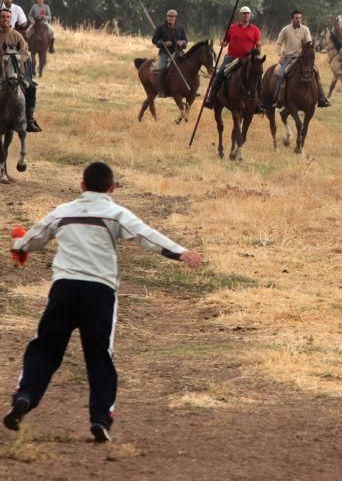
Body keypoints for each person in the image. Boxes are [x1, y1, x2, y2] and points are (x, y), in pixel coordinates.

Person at [4, 162, 204, 442]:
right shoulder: (115, 213)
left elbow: (32, 240)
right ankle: (100, 418)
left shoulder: (63, 211)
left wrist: (18, 246)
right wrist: (181, 252)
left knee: (45, 347)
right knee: (99, 356)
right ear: (112, 188)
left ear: (82, 186)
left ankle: (25, 395)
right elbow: (146, 235)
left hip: (64, 289)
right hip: (99, 292)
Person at [203, 6, 262, 109]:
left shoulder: (255, 30)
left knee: (258, 75)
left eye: (247, 14)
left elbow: (259, 45)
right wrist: (222, 43)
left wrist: (256, 56)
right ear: (240, 15)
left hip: (248, 58)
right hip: (232, 57)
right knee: (220, 73)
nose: (246, 15)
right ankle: (211, 98)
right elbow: (225, 42)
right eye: (244, 13)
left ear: (250, 15)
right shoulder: (232, 27)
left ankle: (259, 102)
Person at [271, 10, 329, 110]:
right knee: (281, 74)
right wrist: (280, 55)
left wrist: (310, 46)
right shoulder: (286, 29)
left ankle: (322, 98)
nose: (298, 20)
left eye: (299, 18)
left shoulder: (305, 29)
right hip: (289, 58)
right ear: (292, 19)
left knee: (316, 73)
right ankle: (277, 99)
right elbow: (278, 43)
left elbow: (308, 43)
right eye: (296, 18)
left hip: (303, 58)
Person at [0, 8, 40, 132]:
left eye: (8, 17)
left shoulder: (17, 36)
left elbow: (24, 52)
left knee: (31, 88)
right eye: (3, 17)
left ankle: (29, 119)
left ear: (11, 19)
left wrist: (15, 61)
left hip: (15, 73)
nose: (5, 19)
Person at [151, 9, 188, 98]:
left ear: (176, 18)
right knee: (163, 68)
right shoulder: (160, 28)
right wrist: (163, 43)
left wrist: (182, 42)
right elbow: (154, 40)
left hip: (178, 52)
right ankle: (161, 90)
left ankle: (189, 89)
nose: (171, 18)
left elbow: (186, 40)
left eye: (173, 16)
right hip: (165, 52)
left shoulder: (180, 28)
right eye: (169, 16)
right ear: (167, 16)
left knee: (188, 66)